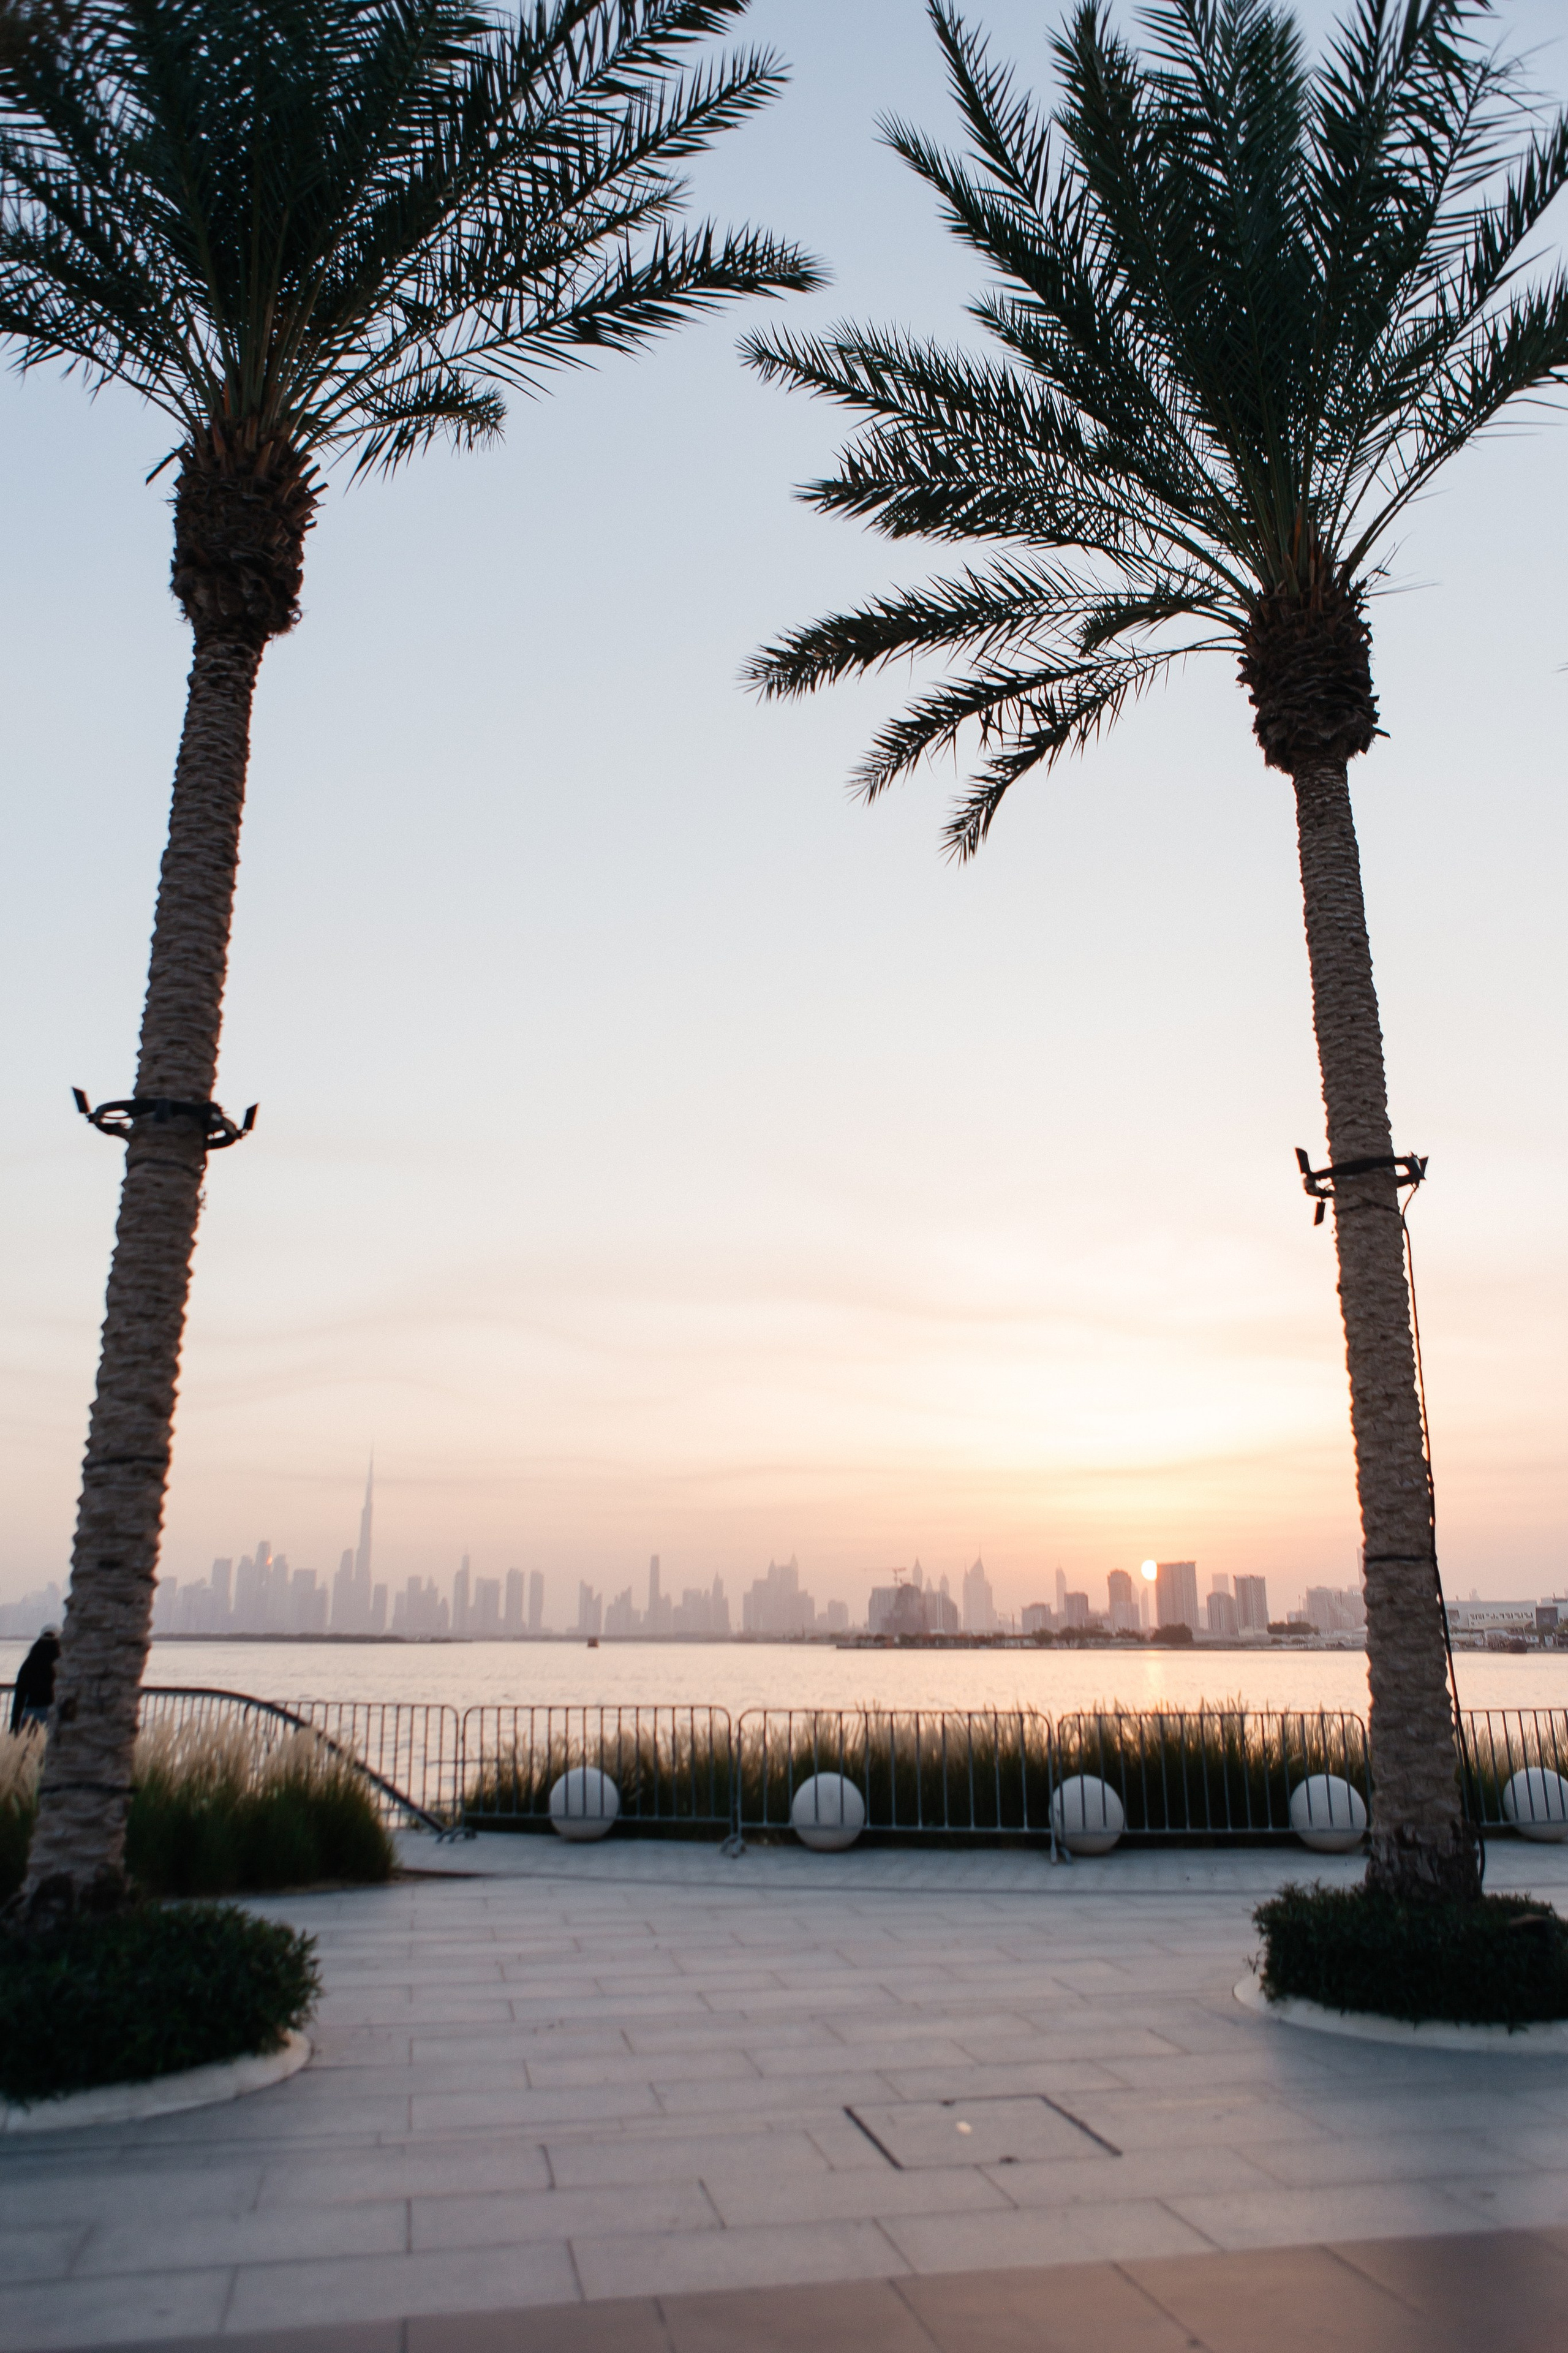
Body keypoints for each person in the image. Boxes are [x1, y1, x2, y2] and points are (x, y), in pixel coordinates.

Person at [9, 1625, 60, 1735]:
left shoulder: (28, 1664)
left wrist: (14, 1726)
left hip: (30, 1714)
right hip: (54, 1713)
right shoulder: (60, 1665)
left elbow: (20, 1696)